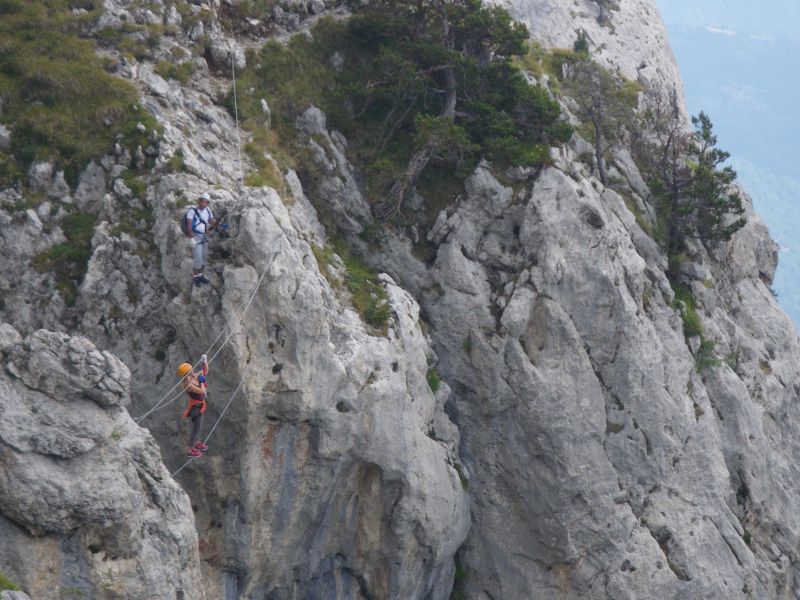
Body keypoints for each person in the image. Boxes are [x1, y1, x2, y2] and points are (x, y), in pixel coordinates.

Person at [177, 354, 209, 458]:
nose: (192, 369)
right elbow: (202, 392)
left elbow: (205, 371)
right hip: (195, 408)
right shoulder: (188, 385)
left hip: (198, 406)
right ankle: (190, 450)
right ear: (188, 372)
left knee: (198, 428)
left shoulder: (191, 377)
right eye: (190, 369)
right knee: (196, 428)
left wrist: (205, 361)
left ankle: (197, 443)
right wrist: (202, 381)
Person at [187, 193, 217, 287]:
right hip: (196, 237)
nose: (204, 204)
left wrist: (214, 221)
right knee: (198, 258)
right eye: (202, 201)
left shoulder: (207, 210)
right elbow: (189, 225)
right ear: (199, 201)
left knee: (204, 258)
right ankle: (195, 277)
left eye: (206, 202)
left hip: (204, 237)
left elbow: (211, 220)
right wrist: (191, 238)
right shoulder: (192, 211)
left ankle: (201, 275)